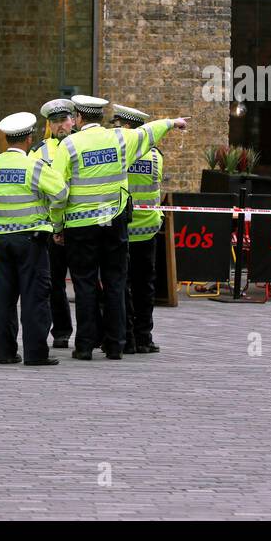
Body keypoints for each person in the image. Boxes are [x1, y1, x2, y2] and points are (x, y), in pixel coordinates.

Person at [43, 95, 185, 360]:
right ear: (99, 117)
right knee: (115, 282)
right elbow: (146, 132)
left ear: (80, 118)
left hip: (80, 226)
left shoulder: (69, 144)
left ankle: (84, 346)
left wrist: (57, 224)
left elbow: (59, 192)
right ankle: (117, 344)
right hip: (114, 223)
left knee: (84, 284)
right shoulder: (120, 138)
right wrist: (171, 122)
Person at [0, 111, 58, 367]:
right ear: (29, 139)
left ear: (6, 139)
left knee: (5, 299)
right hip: (31, 239)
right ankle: (36, 353)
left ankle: (6, 353)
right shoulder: (35, 165)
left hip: (2, 239)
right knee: (34, 296)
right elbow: (61, 192)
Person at [112, 104, 163, 354]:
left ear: (128, 127)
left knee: (122, 285)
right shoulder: (156, 155)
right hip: (149, 230)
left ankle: (127, 338)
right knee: (145, 286)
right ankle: (145, 337)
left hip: (124, 229)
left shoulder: (122, 155)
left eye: (118, 125)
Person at [33, 98, 76, 348]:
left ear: (73, 120)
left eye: (64, 120)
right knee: (54, 282)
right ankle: (61, 331)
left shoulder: (80, 144)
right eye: (55, 122)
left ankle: (92, 332)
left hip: (80, 222)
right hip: (52, 224)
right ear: (49, 125)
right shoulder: (40, 150)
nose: (61, 126)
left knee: (87, 282)